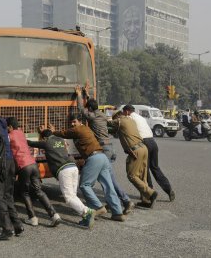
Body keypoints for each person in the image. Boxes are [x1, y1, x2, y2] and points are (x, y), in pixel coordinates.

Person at [50, 114, 125, 222]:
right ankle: (118, 213)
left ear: (80, 122)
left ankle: (98, 208)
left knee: (84, 185)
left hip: (94, 158)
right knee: (108, 186)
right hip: (102, 157)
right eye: (71, 122)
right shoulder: (86, 129)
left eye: (74, 121)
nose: (72, 124)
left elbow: (64, 134)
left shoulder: (78, 129)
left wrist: (53, 131)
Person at [76, 86, 134, 214]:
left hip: (103, 148)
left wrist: (79, 95)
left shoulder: (91, 117)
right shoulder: (101, 114)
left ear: (90, 109)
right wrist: (87, 94)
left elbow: (81, 109)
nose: (87, 109)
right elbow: (92, 105)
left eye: (88, 108)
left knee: (108, 179)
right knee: (107, 177)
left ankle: (126, 200)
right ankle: (114, 203)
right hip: (110, 147)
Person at [27, 127, 96, 228]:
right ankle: (85, 218)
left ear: (45, 138)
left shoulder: (46, 142)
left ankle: (88, 211)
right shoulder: (61, 140)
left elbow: (30, 143)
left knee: (68, 198)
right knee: (73, 195)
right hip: (73, 166)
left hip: (64, 170)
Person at [6, 117, 61, 227]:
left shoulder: (9, 136)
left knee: (25, 193)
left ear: (10, 127)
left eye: (7, 127)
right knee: (39, 190)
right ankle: (54, 215)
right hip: (33, 164)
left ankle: (33, 218)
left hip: (23, 166)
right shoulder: (21, 133)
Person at [0, 107, 23, 241]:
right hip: (10, 161)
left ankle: (7, 229)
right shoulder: (5, 123)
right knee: (8, 195)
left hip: (1, 163)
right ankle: (17, 224)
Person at [123, 105, 175, 202]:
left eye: (123, 112)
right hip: (153, 142)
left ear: (127, 112)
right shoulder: (141, 117)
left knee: (144, 169)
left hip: (144, 143)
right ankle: (168, 189)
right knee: (155, 168)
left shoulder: (129, 118)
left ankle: (149, 193)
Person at [110, 110, 158, 208]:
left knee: (132, 175)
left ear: (118, 116)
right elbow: (115, 131)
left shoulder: (120, 121)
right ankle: (146, 200)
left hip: (136, 150)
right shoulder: (130, 120)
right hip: (144, 148)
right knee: (142, 176)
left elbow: (107, 123)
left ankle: (151, 193)